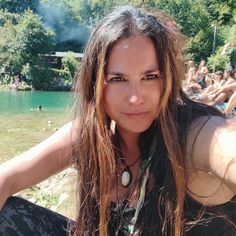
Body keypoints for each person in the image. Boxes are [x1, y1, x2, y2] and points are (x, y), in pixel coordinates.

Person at [0, 5, 236, 236]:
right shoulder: (90, 134)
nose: (135, 97)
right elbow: (6, 178)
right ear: (95, 84)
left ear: (169, 79)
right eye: (118, 79)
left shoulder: (195, 136)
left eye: (150, 76)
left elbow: (225, 145)